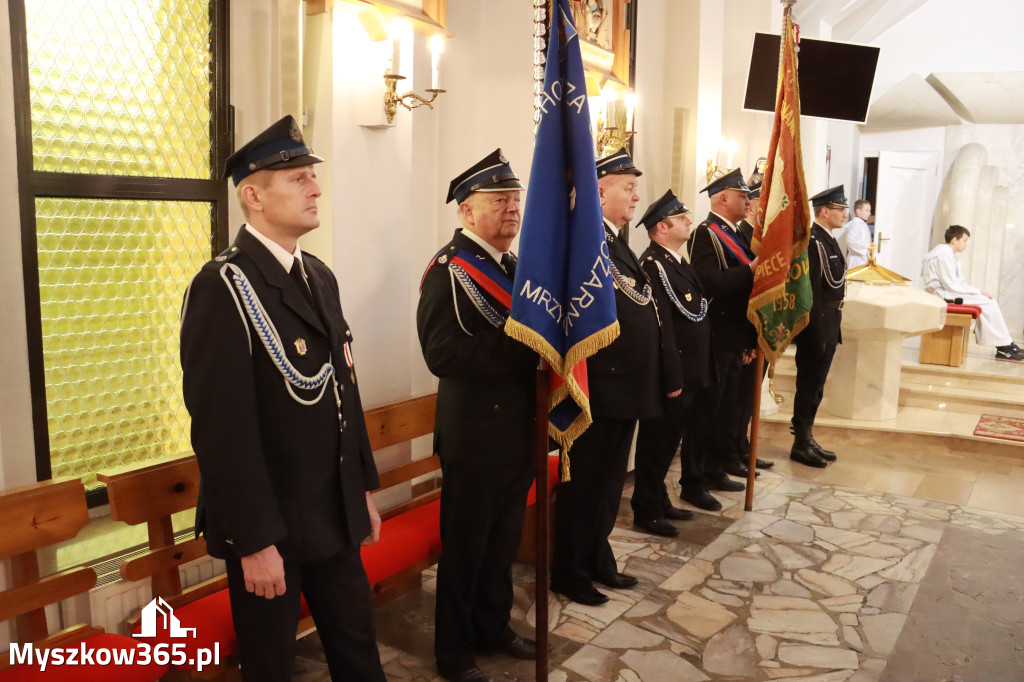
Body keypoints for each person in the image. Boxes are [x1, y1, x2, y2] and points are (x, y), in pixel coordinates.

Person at [180, 116, 386, 681]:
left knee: (357, 647)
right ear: (254, 196)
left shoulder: (318, 275)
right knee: (270, 665)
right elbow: (221, 431)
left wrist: (361, 490)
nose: (316, 188)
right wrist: (252, 542)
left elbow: (344, 389)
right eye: (298, 178)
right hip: (270, 524)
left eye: (311, 177)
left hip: (332, 510)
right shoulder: (222, 287)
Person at [416, 149, 539, 682]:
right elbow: (441, 354)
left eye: (515, 199)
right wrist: (523, 345)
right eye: (498, 200)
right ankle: (454, 652)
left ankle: (493, 627)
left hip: (516, 431)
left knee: (501, 545)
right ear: (466, 210)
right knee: (466, 552)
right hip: (475, 437)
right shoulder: (450, 269)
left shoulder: (511, 267)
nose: (512, 209)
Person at [551, 148, 677, 606]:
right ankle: (570, 570)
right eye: (628, 187)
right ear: (599, 191)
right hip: (599, 389)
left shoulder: (615, 242)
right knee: (586, 486)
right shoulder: (586, 243)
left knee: (607, 485)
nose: (636, 196)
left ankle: (597, 556)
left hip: (625, 388)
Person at [632, 190, 721, 520]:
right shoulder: (653, 265)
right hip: (673, 373)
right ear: (662, 227)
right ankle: (646, 507)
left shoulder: (677, 262)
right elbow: (663, 327)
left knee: (670, 441)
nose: (689, 221)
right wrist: (672, 377)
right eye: (681, 218)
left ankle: (658, 500)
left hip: (691, 369)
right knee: (657, 442)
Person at [687, 168, 763, 487]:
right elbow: (707, 283)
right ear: (722, 199)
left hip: (734, 335)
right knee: (708, 410)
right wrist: (749, 270)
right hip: (716, 335)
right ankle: (696, 477)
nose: (748, 201)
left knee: (727, 408)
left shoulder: (737, 234)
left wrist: (749, 339)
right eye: (742, 196)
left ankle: (715, 468)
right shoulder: (706, 233)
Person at [790, 185, 848, 468]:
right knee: (809, 384)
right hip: (817, 324)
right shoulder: (813, 241)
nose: (845, 214)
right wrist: (813, 329)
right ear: (825, 211)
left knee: (817, 386)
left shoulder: (829, 240)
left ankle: (808, 437)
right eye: (840, 209)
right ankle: (800, 443)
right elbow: (808, 289)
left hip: (830, 320)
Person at [922, 225, 1024, 361]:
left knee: (988, 301)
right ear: (955, 240)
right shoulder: (943, 255)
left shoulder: (946, 253)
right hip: (943, 295)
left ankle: (1005, 345)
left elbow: (956, 283)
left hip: (947, 292)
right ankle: (1004, 347)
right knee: (988, 303)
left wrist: (978, 292)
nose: (966, 244)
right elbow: (951, 284)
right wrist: (979, 292)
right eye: (964, 240)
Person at [843, 200, 872, 269]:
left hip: (863, 258)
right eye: (867, 211)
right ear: (858, 211)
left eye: (870, 211)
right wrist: (867, 246)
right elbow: (850, 241)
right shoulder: (854, 224)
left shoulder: (862, 224)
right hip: (856, 260)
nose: (870, 213)